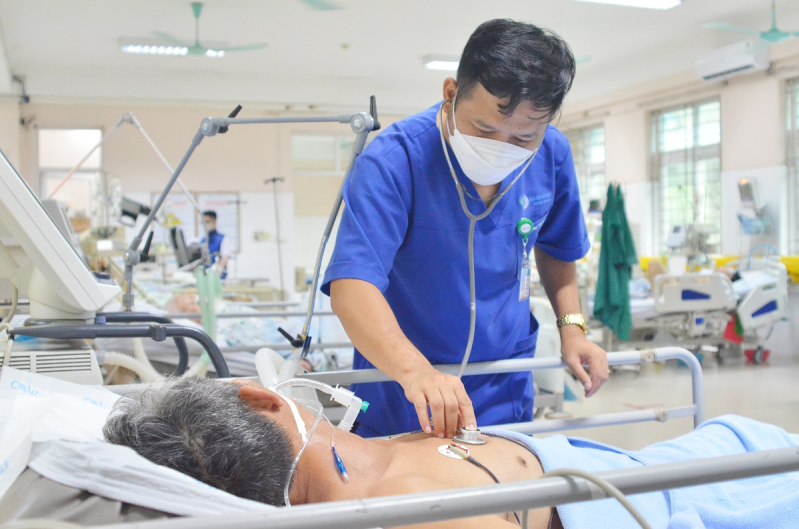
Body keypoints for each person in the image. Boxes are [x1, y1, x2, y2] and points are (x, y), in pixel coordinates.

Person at [322, 19, 607, 438]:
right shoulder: (394, 160)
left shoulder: (552, 154)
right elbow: (352, 286)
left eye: (524, 137)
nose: (503, 148)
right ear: (451, 93)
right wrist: (415, 371)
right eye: (486, 130)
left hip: (503, 378)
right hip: (405, 381)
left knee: (502, 497)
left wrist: (572, 327)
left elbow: (559, 249)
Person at [104, 378, 799, 529]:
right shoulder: (415, 512)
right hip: (707, 492)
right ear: (259, 396)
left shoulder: (352, 453)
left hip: (688, 452)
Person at [200, 210, 231, 279]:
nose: (205, 225)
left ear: (214, 222)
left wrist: (217, 273)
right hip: (204, 277)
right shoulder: (202, 240)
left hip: (218, 278)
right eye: (203, 222)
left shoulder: (222, 239)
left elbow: (225, 258)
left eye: (207, 222)